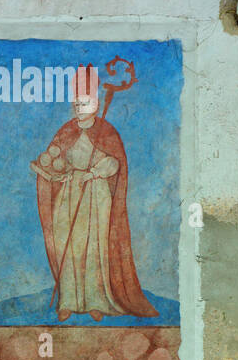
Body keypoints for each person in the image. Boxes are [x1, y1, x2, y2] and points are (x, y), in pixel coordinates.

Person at [32, 74, 156, 321]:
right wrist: (53, 164)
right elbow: (55, 155)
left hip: (96, 196)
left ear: (96, 104)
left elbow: (114, 163)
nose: (80, 107)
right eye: (76, 103)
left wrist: (93, 173)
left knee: (94, 248)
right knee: (67, 245)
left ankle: (96, 301)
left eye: (85, 102)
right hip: (68, 193)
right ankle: (68, 301)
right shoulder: (67, 129)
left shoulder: (106, 131)